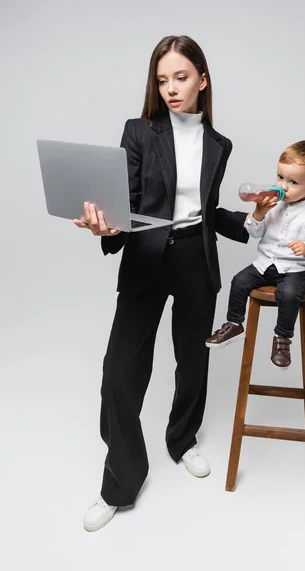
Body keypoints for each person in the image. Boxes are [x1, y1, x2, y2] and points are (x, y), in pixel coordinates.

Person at [73, 35, 249, 532]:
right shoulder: (139, 131)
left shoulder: (219, 144)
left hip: (196, 257)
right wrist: (105, 227)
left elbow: (209, 210)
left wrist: (253, 223)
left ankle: (183, 440)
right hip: (148, 257)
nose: (171, 88)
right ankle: (121, 483)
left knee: (191, 361)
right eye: (162, 79)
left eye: (181, 77)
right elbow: (125, 201)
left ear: (202, 79)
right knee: (119, 374)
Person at [206, 140, 305, 368]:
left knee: (289, 293)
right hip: (265, 264)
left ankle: (282, 338)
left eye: (293, 182)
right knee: (239, 281)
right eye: (280, 177)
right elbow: (255, 232)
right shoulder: (273, 204)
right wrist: (259, 213)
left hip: (294, 269)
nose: (283, 185)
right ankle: (234, 324)